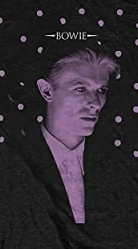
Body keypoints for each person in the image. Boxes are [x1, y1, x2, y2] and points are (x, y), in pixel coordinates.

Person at [11, 47, 120, 224]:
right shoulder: (14, 158)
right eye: (80, 89)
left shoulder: (116, 162)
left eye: (101, 91)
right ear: (46, 91)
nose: (95, 103)